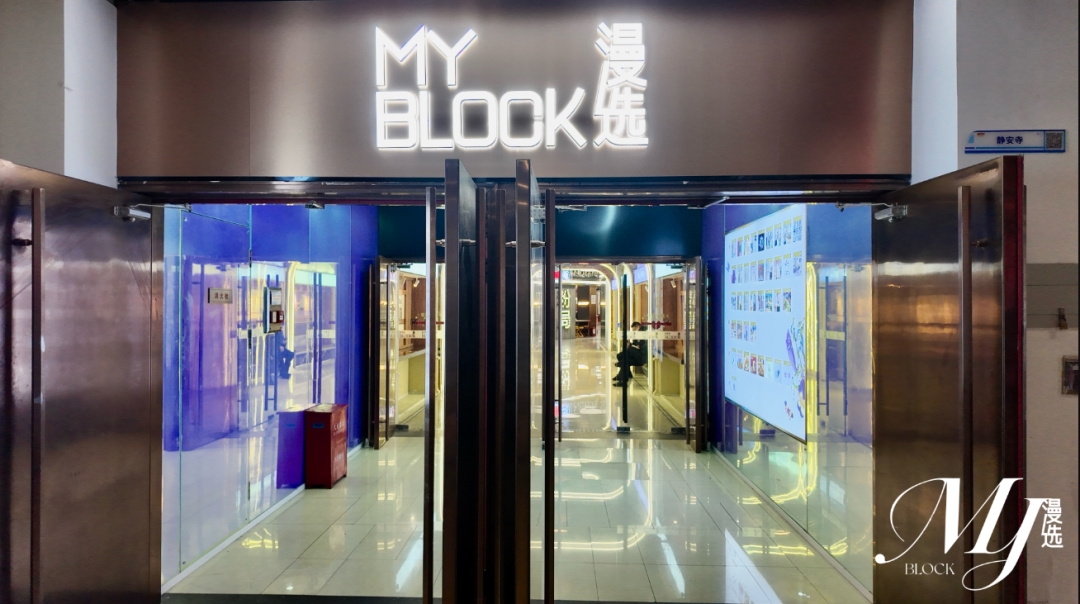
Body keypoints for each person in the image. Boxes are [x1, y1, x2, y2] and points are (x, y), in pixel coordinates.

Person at [613, 322, 648, 387]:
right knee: (622, 358)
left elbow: (644, 344)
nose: (634, 331)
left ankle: (621, 364)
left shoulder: (644, 333)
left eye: (634, 329)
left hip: (642, 356)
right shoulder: (637, 334)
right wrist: (631, 344)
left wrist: (638, 346)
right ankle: (623, 378)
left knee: (629, 350)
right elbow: (635, 344)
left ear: (637, 326)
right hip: (637, 353)